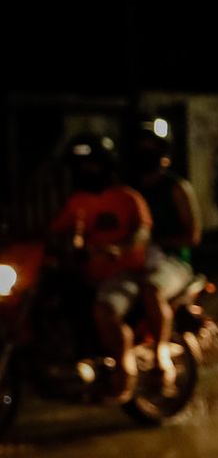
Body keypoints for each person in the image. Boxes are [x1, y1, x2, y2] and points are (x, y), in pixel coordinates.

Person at [46, 134, 152, 400]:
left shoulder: (128, 198)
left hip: (124, 273)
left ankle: (124, 369)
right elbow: (55, 231)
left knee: (104, 310)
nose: (87, 170)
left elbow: (142, 231)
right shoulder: (77, 201)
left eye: (92, 164)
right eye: (81, 166)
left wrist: (120, 248)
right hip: (88, 273)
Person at [132, 124, 202, 380]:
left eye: (152, 148)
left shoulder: (176, 188)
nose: (146, 153)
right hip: (136, 261)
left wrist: (156, 243)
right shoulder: (130, 191)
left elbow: (193, 236)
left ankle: (161, 353)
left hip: (173, 263)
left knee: (151, 289)